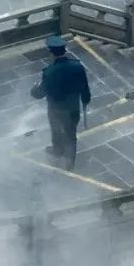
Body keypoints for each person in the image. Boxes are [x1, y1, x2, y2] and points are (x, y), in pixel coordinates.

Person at [30, 36, 91, 170]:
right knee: (71, 134)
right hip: (73, 107)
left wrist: (34, 89)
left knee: (56, 130)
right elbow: (84, 87)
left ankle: (57, 150)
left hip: (56, 108)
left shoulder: (49, 72)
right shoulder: (77, 66)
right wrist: (86, 100)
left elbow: (40, 93)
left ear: (51, 53)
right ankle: (70, 160)